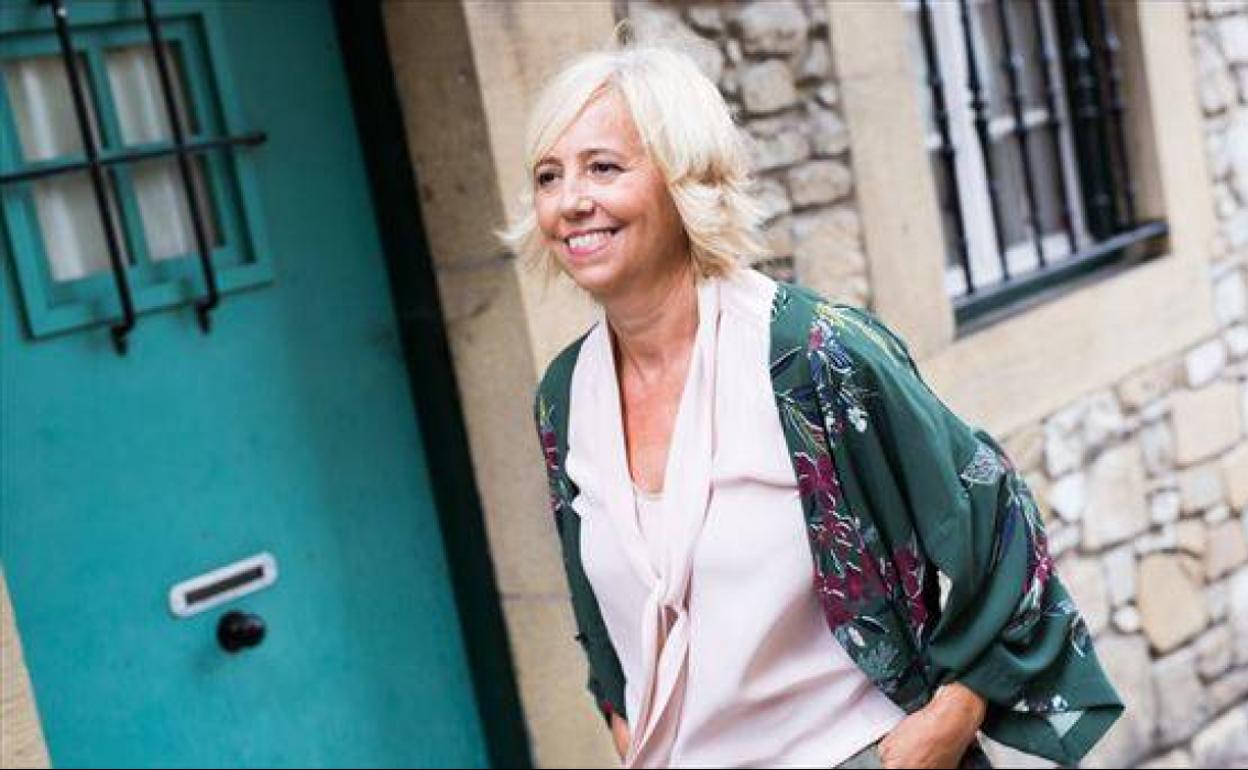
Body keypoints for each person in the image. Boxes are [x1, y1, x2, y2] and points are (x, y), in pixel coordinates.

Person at [507, 40, 1122, 769]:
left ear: (683, 176)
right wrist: (622, 717)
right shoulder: (565, 396)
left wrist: (954, 713)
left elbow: (996, 513)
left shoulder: (814, 352)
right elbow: (600, 611)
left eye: (604, 167)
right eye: (549, 176)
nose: (571, 201)